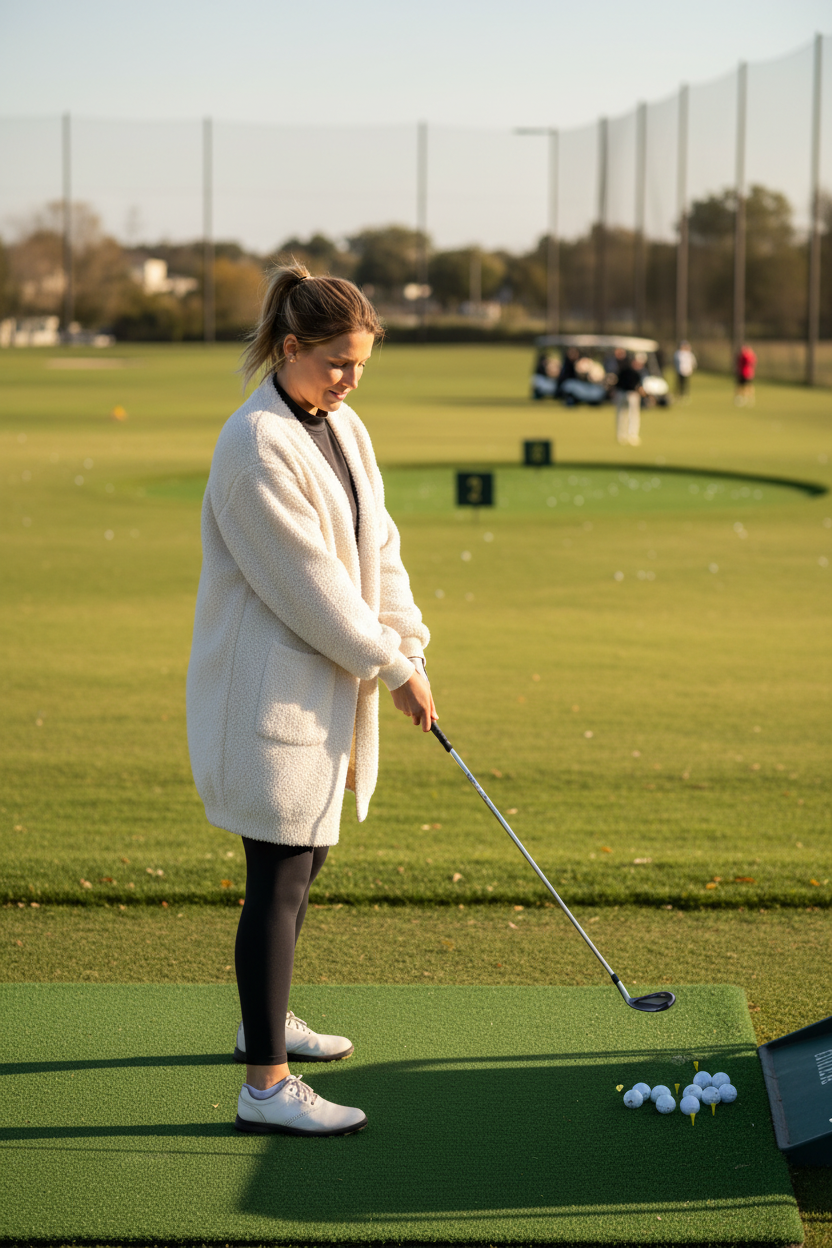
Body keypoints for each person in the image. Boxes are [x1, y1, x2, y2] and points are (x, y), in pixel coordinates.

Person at [186, 264, 435, 1138]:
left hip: (324, 691)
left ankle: (269, 1014)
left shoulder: (340, 423)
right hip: (270, 697)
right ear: (290, 348)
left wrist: (410, 645)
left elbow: (381, 544)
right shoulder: (254, 443)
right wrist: (391, 666)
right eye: (335, 361)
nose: (349, 378)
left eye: (359, 364)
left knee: (303, 866)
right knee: (280, 877)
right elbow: (313, 587)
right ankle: (266, 1084)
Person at [613, 351, 644, 446]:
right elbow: (638, 387)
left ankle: (623, 435)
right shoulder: (635, 373)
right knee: (630, 416)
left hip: (621, 394)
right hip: (630, 395)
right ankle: (630, 435)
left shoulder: (623, 370)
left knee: (623, 416)